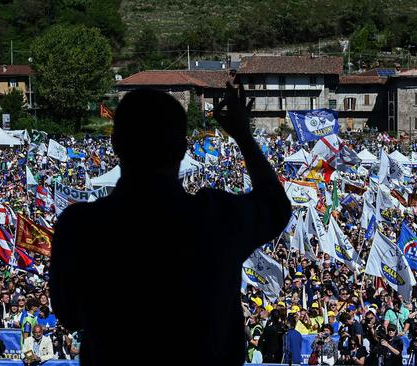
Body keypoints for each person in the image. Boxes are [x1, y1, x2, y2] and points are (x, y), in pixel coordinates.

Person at [51, 86, 291, 366]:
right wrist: (243, 137)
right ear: (182, 149)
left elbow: (68, 314)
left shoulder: (80, 227)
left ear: (115, 144)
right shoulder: (217, 218)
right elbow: (276, 205)